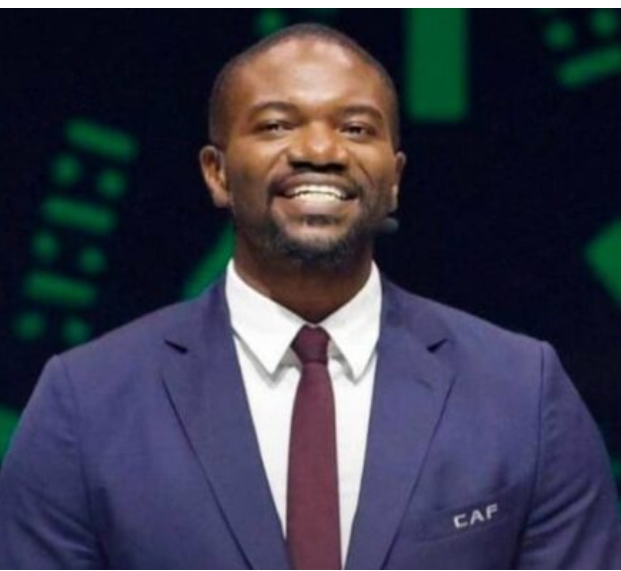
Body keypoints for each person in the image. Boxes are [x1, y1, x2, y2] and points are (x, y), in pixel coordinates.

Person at [0, 23, 620, 570]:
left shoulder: (521, 392)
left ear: (395, 178)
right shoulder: (84, 403)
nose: (321, 151)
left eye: (356, 128)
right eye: (276, 124)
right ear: (217, 172)